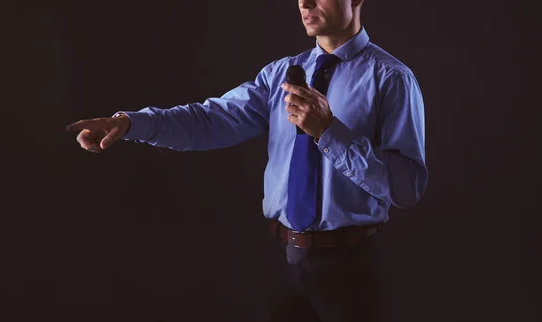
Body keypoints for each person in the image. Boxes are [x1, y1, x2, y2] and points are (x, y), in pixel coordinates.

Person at [66, 0, 427, 320]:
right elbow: (208, 119)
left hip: (353, 268)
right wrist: (131, 123)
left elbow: (407, 187)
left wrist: (328, 130)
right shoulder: (279, 76)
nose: (305, 2)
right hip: (283, 262)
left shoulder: (392, 79)